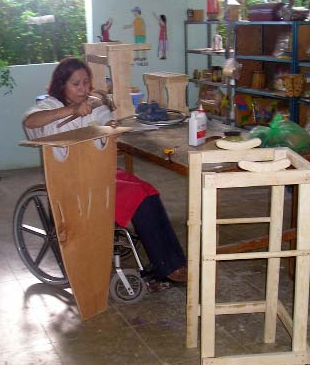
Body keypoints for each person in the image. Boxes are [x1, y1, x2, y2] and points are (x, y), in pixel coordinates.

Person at [23, 57, 187, 284]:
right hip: (70, 179)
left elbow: (105, 120)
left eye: (86, 83)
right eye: (76, 84)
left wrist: (110, 125)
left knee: (148, 192)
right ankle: (168, 266)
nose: (83, 89)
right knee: (136, 197)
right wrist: (70, 110)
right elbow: (30, 122)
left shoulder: (90, 106)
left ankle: (171, 263)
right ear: (62, 85)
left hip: (99, 172)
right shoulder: (49, 105)